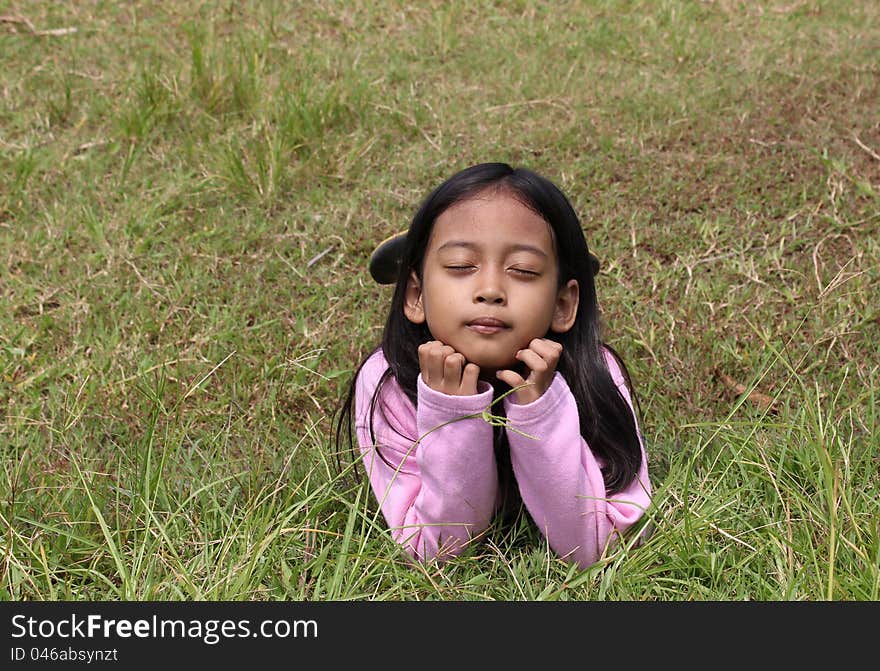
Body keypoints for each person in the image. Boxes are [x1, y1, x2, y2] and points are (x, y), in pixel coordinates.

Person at [334, 162, 651, 569]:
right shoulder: (388, 384)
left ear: (563, 305)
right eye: (461, 266)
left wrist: (539, 410)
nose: (490, 290)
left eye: (524, 271)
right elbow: (437, 555)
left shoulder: (597, 373)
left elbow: (595, 549)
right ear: (415, 294)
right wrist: (452, 414)